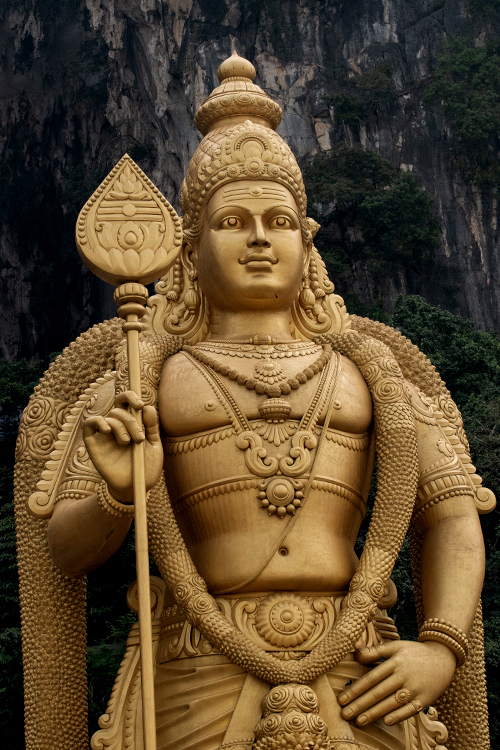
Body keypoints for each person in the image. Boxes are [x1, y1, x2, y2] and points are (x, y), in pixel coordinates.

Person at [17, 53, 493, 750]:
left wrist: (443, 645)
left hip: (360, 664)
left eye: (278, 220)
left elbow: (450, 514)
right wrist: (118, 497)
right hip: (196, 668)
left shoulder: (373, 373)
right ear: (190, 245)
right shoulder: (138, 377)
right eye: (233, 221)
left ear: (307, 240)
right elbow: (63, 549)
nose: (261, 237)